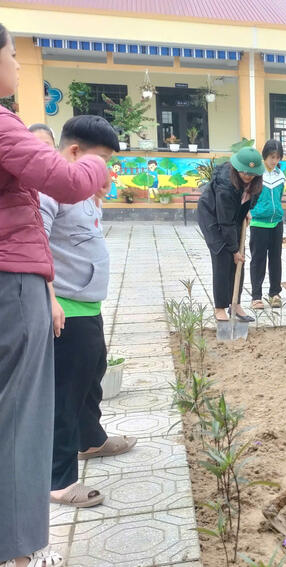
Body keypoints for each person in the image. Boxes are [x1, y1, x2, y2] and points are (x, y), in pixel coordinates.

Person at [0, 21, 110, 567]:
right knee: (38, 408)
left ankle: (89, 439)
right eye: (11, 56)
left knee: (79, 382)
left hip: (59, 297)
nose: (19, 66)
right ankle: (44, 504)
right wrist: (51, 293)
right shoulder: (9, 132)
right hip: (36, 295)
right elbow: (44, 213)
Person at [41, 116, 136, 509]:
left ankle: (91, 441)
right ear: (75, 152)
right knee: (66, 395)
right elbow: (35, 240)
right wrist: (49, 297)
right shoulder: (50, 189)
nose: (107, 170)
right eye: (102, 161)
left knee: (91, 380)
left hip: (88, 306)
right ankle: (59, 481)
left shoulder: (80, 190)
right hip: (68, 310)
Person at [197, 147, 264, 323]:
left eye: (252, 173)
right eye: (244, 171)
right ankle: (220, 307)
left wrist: (245, 210)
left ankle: (235, 304)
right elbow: (225, 222)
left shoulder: (256, 184)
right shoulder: (226, 185)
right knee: (222, 256)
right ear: (236, 168)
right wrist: (233, 250)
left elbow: (249, 200)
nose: (248, 175)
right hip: (212, 216)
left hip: (232, 215)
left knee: (239, 261)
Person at [248, 139, 285, 309]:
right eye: (272, 157)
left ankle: (275, 293)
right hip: (258, 223)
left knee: (276, 259)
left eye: (277, 157)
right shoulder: (256, 174)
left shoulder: (280, 175)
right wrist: (249, 212)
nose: (274, 161)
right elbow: (248, 197)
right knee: (258, 260)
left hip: (277, 222)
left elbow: (279, 197)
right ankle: (256, 296)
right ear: (265, 156)